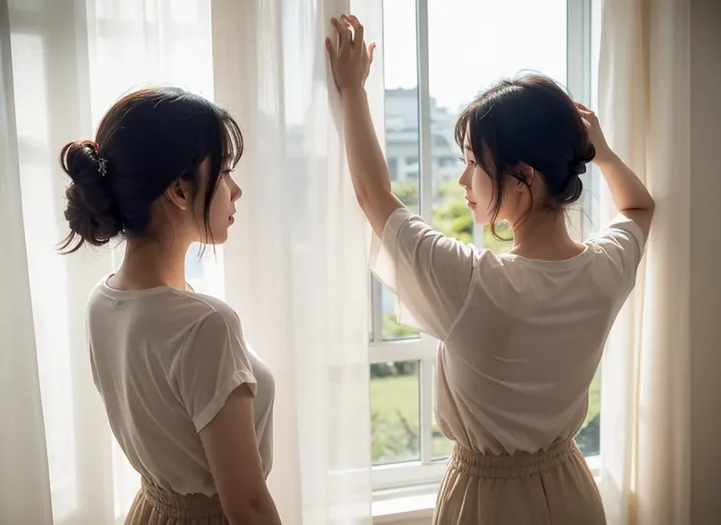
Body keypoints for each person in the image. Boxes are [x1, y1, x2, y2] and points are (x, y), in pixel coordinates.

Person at [326, 14, 653, 525]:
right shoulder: (605, 269)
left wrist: (351, 91)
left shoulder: (475, 284)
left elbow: (374, 197)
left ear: (523, 179)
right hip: (571, 490)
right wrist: (604, 152)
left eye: (472, 162)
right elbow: (639, 208)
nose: (462, 179)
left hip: (487, 500)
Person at [59, 87, 282, 525]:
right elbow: (249, 508)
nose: (236, 191)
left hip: (151, 513)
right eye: (224, 173)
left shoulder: (103, 299)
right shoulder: (205, 325)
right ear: (180, 191)